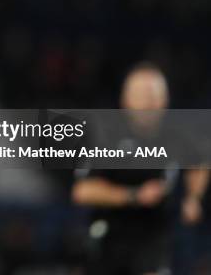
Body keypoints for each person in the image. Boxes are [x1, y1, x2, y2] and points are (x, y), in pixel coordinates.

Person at [72, 62, 208, 275]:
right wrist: (134, 195)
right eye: (143, 95)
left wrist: (193, 197)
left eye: (155, 96)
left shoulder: (177, 134)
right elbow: (82, 191)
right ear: (125, 101)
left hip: (153, 236)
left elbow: (199, 164)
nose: (150, 103)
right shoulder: (106, 135)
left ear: (165, 99)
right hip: (109, 234)